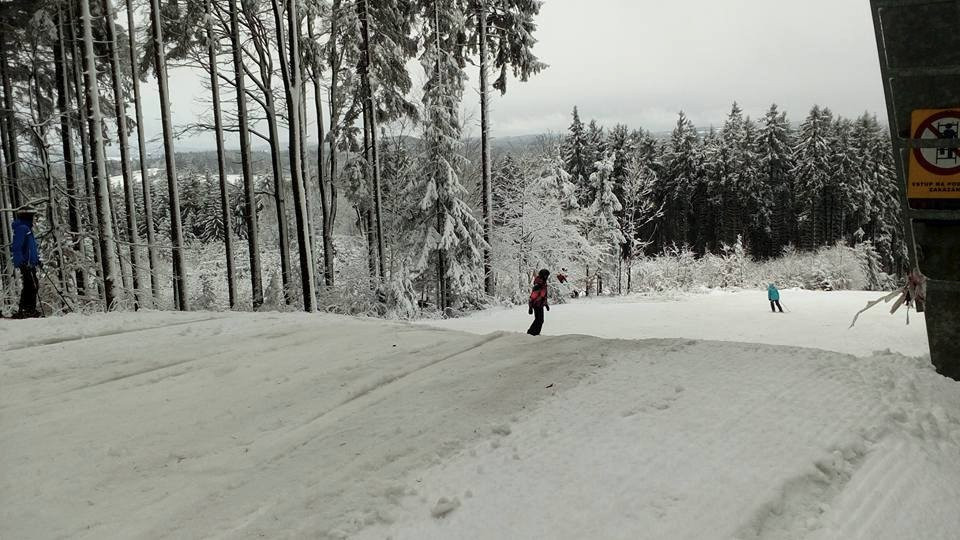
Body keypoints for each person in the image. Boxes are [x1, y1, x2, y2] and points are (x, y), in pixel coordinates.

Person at [11, 206, 42, 318]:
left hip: (29, 263)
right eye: (33, 216)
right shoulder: (22, 228)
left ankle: (26, 310)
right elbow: (16, 247)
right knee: (31, 285)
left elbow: (30, 248)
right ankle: (27, 310)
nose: (34, 218)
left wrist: (37, 260)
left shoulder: (27, 228)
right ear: (27, 216)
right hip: (25, 263)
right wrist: (21, 263)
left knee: (32, 285)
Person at [527, 269, 550, 336]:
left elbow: (543, 295)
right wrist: (530, 307)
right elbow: (532, 297)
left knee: (540, 320)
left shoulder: (543, 284)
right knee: (539, 320)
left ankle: (535, 333)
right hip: (536, 305)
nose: (547, 277)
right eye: (546, 276)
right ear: (543, 275)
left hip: (540, 304)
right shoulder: (538, 285)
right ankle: (532, 333)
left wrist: (546, 304)